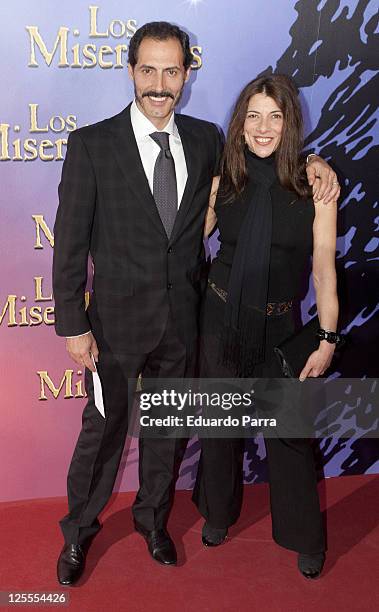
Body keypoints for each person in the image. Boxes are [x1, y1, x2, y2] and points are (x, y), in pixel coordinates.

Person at [53, 19, 338, 585]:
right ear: (132, 71)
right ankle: (77, 536)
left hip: (185, 322)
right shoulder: (92, 143)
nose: (160, 84)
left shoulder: (208, 141)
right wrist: (72, 324)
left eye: (172, 71)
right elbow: (70, 241)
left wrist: (315, 163)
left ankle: (154, 523)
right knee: (102, 432)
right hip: (114, 325)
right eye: (149, 70)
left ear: (187, 74)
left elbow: (263, 170)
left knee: (167, 431)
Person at [192, 74, 339, 579]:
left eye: (275, 116)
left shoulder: (314, 185)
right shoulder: (223, 180)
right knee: (219, 429)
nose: (263, 127)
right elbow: (189, 241)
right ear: (240, 123)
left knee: (291, 436)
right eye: (253, 115)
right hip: (220, 318)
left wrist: (327, 336)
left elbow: (323, 267)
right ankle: (217, 512)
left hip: (281, 329)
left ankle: (303, 537)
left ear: (289, 122)